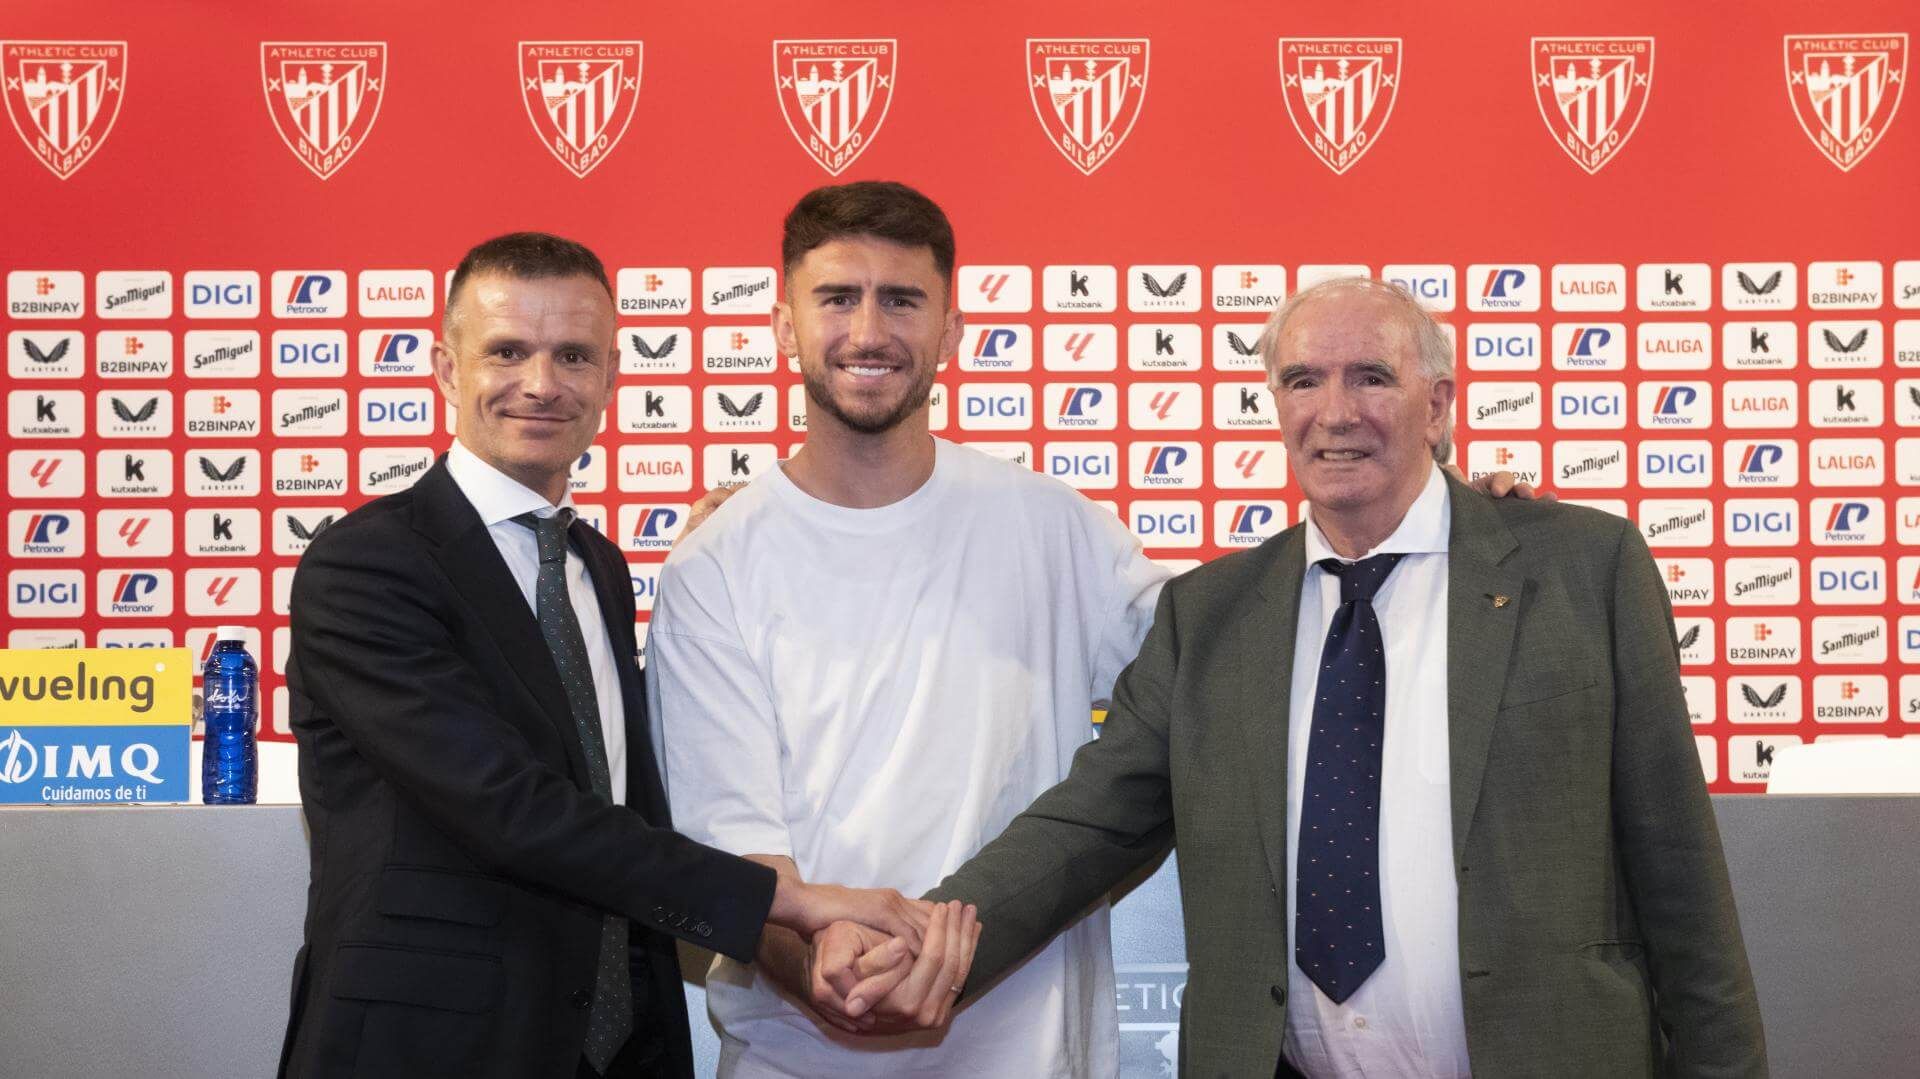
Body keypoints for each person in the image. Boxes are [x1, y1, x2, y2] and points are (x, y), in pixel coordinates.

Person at [840, 276, 1767, 1077]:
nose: (1335, 412)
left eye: (1371, 377)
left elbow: (1681, 873)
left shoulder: (1582, 569)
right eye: (1302, 380)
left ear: (1437, 404)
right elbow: (1087, 825)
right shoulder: (1209, 615)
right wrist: (925, 933)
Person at [279, 232, 932, 1079]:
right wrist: (796, 902)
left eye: (574, 355)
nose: (542, 384)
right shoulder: (366, 565)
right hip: (431, 1045)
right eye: (507, 351)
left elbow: (624, 786)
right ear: (446, 369)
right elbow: (511, 808)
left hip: (621, 1048)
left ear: (612, 378)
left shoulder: (600, 565)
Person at [645, 181, 1169, 1077]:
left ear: (951, 332)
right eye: (837, 298)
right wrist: (816, 963)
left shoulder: (1056, 527)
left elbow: (1228, 659)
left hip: (1030, 1055)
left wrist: (1447, 533)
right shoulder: (713, 568)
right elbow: (731, 850)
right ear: (783, 327)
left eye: (902, 299)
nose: (868, 330)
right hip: (795, 1061)